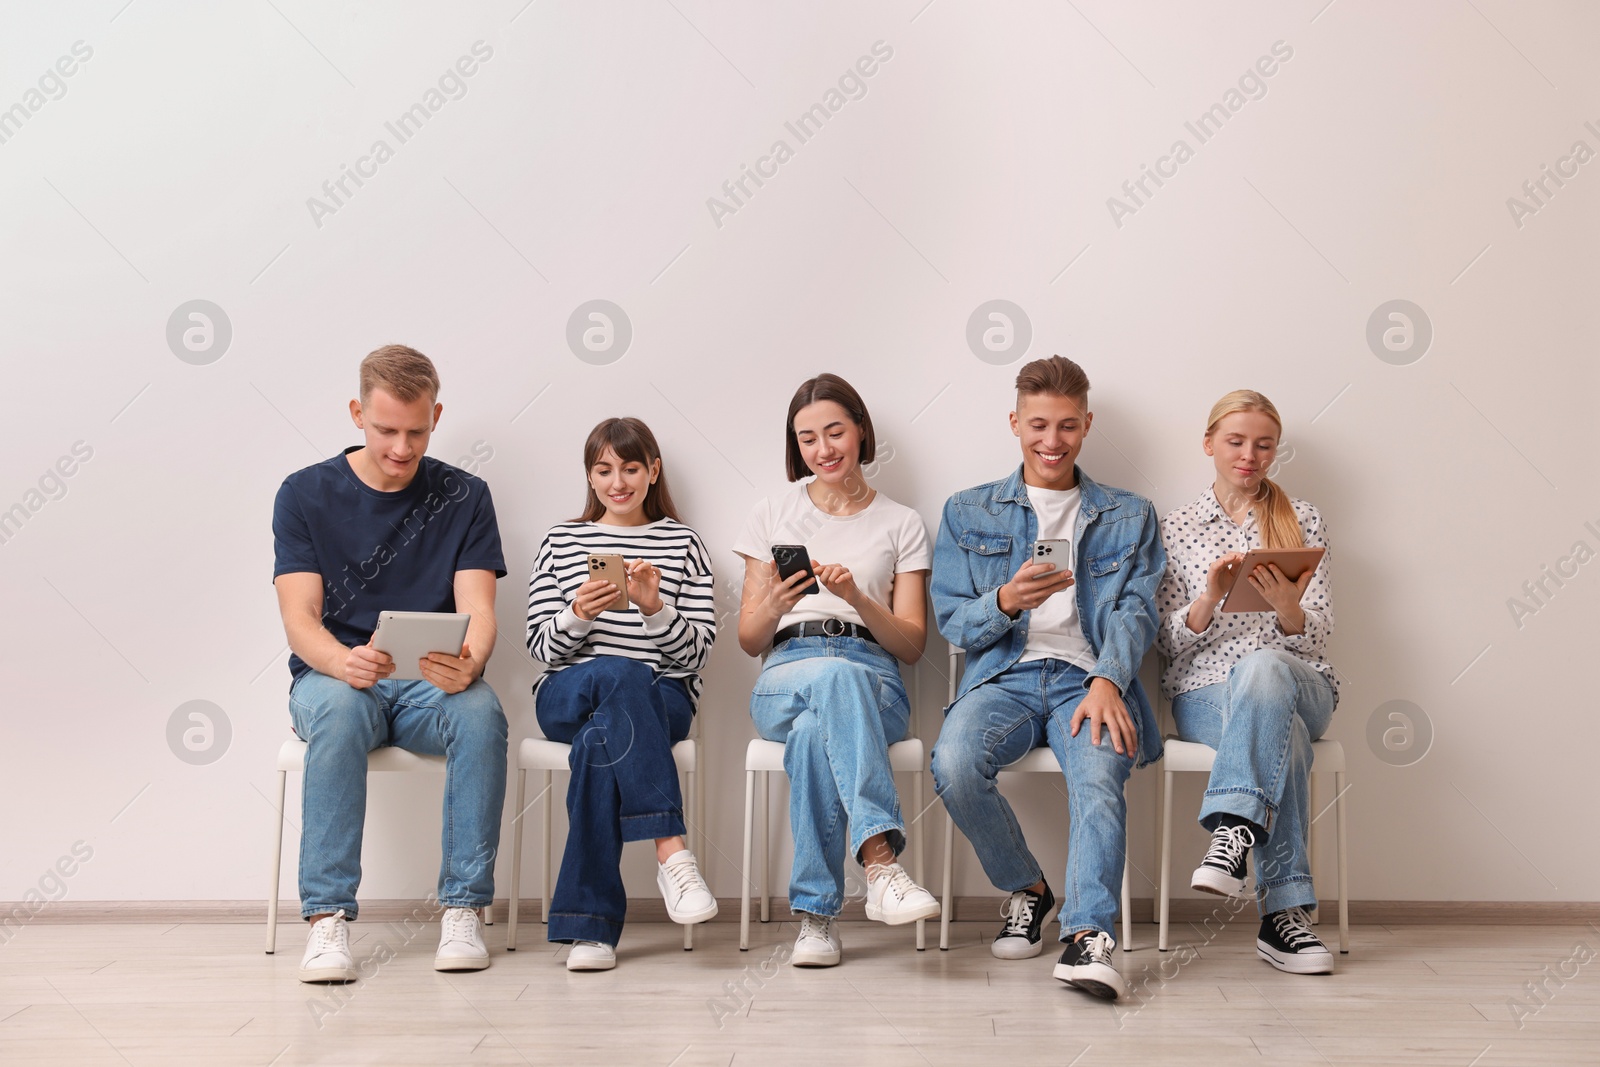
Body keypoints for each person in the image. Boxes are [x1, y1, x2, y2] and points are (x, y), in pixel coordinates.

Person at [930, 355, 1164, 1001]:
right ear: (1014, 422)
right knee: (952, 762)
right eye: (1038, 424)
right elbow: (953, 622)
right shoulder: (967, 509)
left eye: (1066, 425)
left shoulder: (1129, 514)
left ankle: (1089, 935)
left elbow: (1135, 612)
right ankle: (1029, 889)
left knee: (1098, 774)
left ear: (1086, 425)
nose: (1052, 441)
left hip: (1088, 679)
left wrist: (1109, 679)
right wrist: (1006, 599)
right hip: (1004, 674)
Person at [272, 345, 508, 983]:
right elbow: (299, 619)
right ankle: (327, 923)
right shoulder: (303, 493)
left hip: (430, 685)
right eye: (386, 431)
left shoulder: (466, 494)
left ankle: (463, 908)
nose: (402, 449)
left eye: (417, 432)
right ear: (356, 413)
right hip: (337, 679)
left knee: (482, 710)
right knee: (343, 710)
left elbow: (479, 609)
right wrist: (343, 662)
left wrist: (471, 660)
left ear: (436, 416)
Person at [733, 373, 941, 968]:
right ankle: (880, 863)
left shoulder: (902, 522)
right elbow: (750, 641)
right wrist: (774, 602)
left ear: (860, 433)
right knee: (827, 684)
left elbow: (909, 645)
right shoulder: (772, 512)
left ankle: (817, 919)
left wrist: (857, 599)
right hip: (786, 672)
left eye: (834, 432)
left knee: (812, 732)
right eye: (807, 438)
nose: (823, 449)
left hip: (874, 673)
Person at [525, 417, 718, 971]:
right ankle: (671, 852)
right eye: (604, 470)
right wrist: (578, 615)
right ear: (589, 475)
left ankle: (590, 931)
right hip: (566, 692)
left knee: (601, 738)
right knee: (620, 672)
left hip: (661, 699)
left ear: (652, 471)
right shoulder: (562, 540)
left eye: (631, 468)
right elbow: (541, 650)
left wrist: (654, 609)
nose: (618, 482)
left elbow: (697, 656)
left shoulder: (683, 544)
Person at [1155, 389, 1338, 975]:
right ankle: (1283, 918)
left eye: (1263, 445)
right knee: (1278, 733)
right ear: (1209, 444)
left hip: (1302, 681)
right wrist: (1208, 598)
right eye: (1235, 441)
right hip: (1206, 691)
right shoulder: (1175, 527)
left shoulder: (1301, 519)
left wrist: (1289, 609)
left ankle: (1232, 827)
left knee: (1265, 670)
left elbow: (1319, 635)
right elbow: (1164, 645)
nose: (1249, 455)